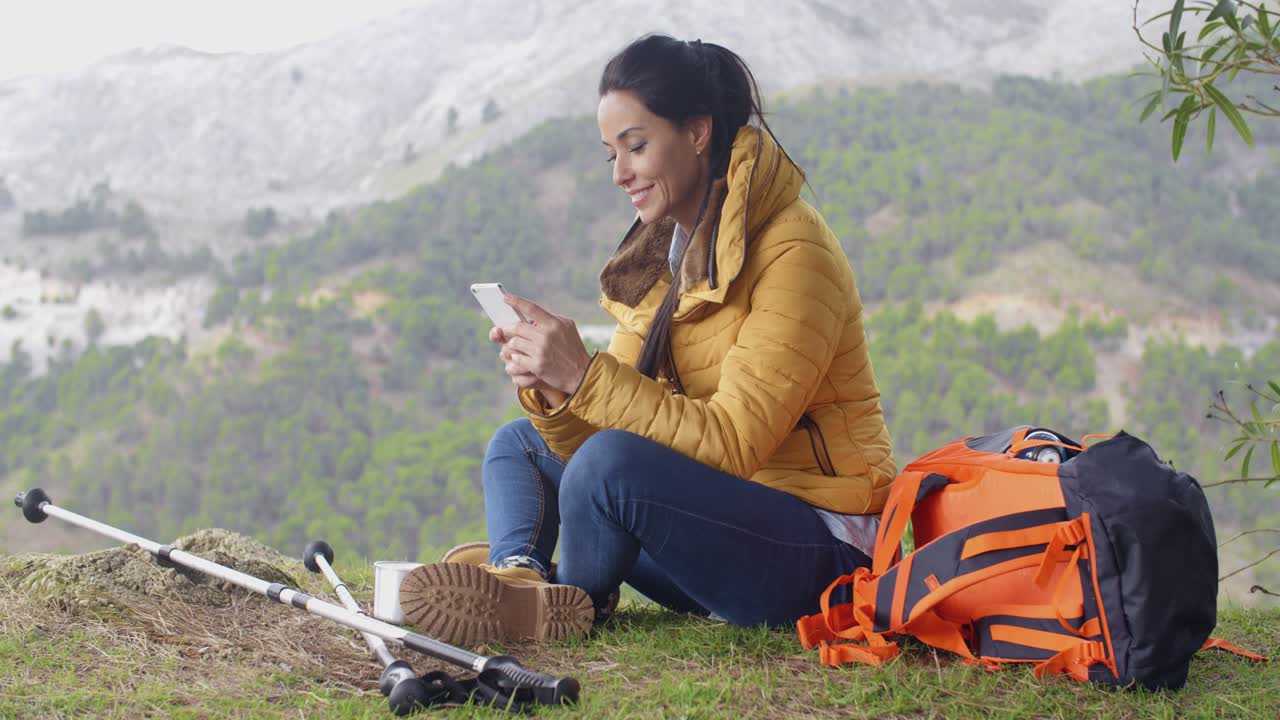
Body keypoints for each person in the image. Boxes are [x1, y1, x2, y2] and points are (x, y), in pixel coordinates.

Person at [398, 34, 897, 646]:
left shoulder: (795, 253)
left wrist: (586, 376)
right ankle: (523, 578)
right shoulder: (662, 257)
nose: (619, 174)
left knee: (611, 467)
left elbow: (733, 443)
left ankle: (566, 604)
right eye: (610, 153)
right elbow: (613, 422)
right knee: (521, 444)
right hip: (716, 527)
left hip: (822, 552)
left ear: (697, 132)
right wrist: (557, 390)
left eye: (635, 147)